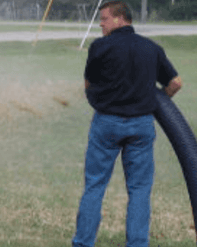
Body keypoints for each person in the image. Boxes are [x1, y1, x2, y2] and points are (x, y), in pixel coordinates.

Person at [72, 1, 183, 247]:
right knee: (140, 190)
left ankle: (82, 243)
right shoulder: (151, 48)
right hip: (142, 126)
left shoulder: (99, 47)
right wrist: (157, 103)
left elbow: (89, 85)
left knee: (95, 186)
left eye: (104, 19)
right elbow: (175, 83)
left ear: (120, 19)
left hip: (106, 124)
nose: (100, 24)